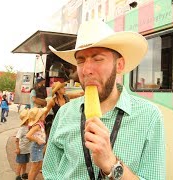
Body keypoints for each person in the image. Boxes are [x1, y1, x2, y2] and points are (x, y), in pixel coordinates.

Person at [42, 20, 166, 180]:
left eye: (98, 59)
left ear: (119, 65)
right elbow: (50, 174)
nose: (86, 70)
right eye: (80, 60)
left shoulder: (149, 116)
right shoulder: (64, 113)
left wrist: (111, 163)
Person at [26, 107, 48, 180]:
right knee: (34, 166)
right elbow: (28, 135)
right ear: (39, 117)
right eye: (43, 115)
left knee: (38, 165)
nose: (45, 116)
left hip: (39, 147)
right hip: (36, 147)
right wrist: (37, 140)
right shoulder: (37, 125)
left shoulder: (41, 124)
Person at [15, 109, 32, 180]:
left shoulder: (29, 127)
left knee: (25, 162)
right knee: (20, 163)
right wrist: (17, 148)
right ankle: (18, 175)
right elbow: (17, 139)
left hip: (27, 149)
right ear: (26, 120)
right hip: (22, 150)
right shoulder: (22, 129)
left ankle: (23, 174)